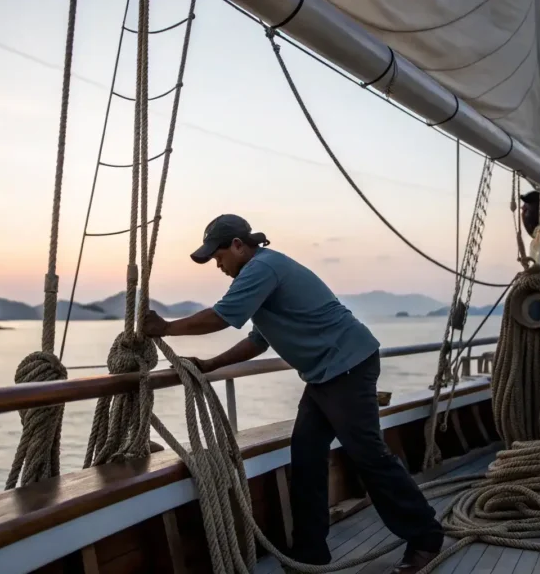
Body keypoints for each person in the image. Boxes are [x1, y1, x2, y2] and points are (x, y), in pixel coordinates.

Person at [142, 214, 444, 573]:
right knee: (305, 457)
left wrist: (166, 328)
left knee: (369, 456)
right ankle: (310, 553)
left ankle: (426, 538)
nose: (218, 265)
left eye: (218, 256)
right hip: (324, 376)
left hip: (347, 367)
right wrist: (210, 365)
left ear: (238, 245)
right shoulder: (264, 274)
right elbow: (259, 339)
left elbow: (222, 316)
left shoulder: (262, 268)